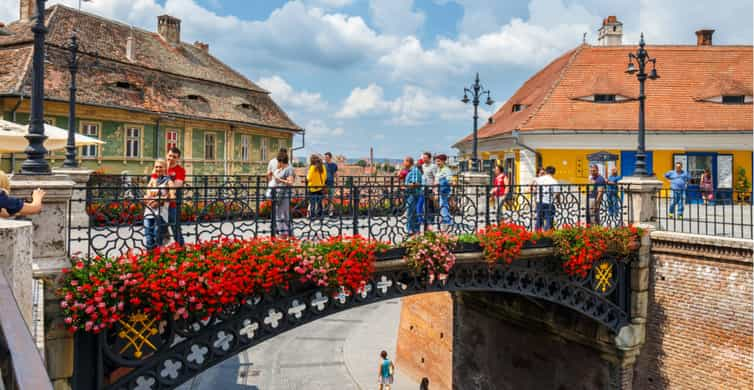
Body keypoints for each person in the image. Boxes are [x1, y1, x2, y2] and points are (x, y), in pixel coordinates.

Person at [143, 160, 173, 250]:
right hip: (149, 212)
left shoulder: (168, 181)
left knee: (157, 236)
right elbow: (146, 195)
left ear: (164, 168)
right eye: (156, 167)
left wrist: (161, 200)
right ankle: (149, 259)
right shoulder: (152, 180)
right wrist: (153, 200)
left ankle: (158, 258)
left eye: (160, 167)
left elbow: (172, 196)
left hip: (161, 213)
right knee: (148, 237)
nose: (158, 169)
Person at [165, 147, 185, 246]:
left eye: (174, 157)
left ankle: (181, 249)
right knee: (158, 228)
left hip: (173, 204)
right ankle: (156, 253)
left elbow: (177, 185)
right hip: (160, 204)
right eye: (170, 155)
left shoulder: (180, 170)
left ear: (178, 158)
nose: (171, 158)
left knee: (175, 227)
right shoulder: (160, 167)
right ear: (166, 155)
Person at [272, 152, 295, 236]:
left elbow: (291, 182)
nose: (278, 163)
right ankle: (289, 234)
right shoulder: (283, 169)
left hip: (284, 195)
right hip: (280, 195)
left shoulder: (289, 169)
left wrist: (279, 180)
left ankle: (283, 235)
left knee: (280, 215)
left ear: (281, 161)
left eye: (278, 161)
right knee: (284, 216)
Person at [534, 166, 558, 230]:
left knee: (539, 219)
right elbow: (556, 193)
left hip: (539, 201)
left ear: (546, 171)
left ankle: (537, 234)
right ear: (554, 173)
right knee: (549, 219)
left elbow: (534, 187)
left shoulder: (539, 179)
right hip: (549, 202)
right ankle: (547, 235)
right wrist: (558, 201)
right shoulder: (554, 181)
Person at [404, 156, 422, 235]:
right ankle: (414, 230)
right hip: (411, 194)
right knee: (412, 212)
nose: (403, 163)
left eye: (404, 161)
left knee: (411, 212)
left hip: (413, 194)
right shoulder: (411, 170)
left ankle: (411, 230)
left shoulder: (414, 170)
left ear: (408, 162)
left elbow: (415, 183)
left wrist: (405, 186)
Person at [418, 152, 437, 223]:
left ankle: (431, 220)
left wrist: (434, 189)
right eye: (423, 158)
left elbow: (435, 177)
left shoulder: (433, 166)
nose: (424, 159)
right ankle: (423, 219)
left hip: (430, 188)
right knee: (422, 204)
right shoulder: (422, 166)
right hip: (423, 188)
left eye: (425, 158)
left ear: (429, 158)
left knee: (430, 204)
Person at [306, 154, 327, 219]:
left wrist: (307, 175)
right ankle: (320, 216)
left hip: (312, 187)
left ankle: (312, 217)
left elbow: (309, 178)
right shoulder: (323, 167)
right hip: (320, 187)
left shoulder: (312, 167)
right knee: (320, 203)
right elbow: (325, 177)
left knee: (312, 203)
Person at [435, 154, 453, 228]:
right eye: (436, 161)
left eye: (438, 161)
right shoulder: (440, 169)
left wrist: (440, 182)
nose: (437, 163)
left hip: (444, 190)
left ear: (443, 161)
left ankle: (447, 221)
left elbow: (450, 180)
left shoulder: (446, 170)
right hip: (441, 190)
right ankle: (447, 220)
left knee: (443, 205)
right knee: (443, 204)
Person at [324, 152, 338, 216]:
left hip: (331, 184)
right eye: (325, 157)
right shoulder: (323, 165)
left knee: (331, 198)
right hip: (324, 184)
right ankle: (323, 211)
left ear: (330, 157)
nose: (325, 158)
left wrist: (337, 182)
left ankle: (330, 213)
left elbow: (335, 174)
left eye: (327, 157)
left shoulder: (334, 165)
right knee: (322, 198)